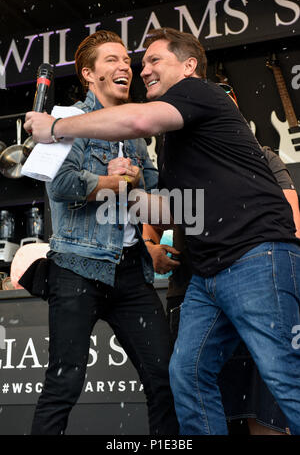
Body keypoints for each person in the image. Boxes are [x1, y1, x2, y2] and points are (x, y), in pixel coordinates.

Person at [24, 27, 300, 435]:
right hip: (156, 271)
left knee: (276, 376)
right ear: (88, 73)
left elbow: (139, 132)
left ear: (188, 66)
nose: (138, 68)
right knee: (180, 378)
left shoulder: (193, 94)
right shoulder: (161, 136)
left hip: (241, 260)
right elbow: (173, 209)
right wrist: (115, 185)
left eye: (150, 60)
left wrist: (63, 133)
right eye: (127, 61)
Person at [26, 30, 178, 435]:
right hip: (77, 268)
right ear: (89, 74)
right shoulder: (64, 119)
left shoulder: (136, 133)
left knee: (167, 381)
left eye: (127, 60)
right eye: (112, 60)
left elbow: (155, 197)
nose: (125, 66)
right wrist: (113, 184)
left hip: (131, 273)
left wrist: (144, 195)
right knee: (64, 385)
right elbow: (59, 186)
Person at [143, 142, 300, 435]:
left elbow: (292, 222)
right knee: (187, 380)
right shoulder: (181, 159)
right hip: (195, 287)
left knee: (271, 399)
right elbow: (153, 217)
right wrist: (149, 246)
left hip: (253, 282)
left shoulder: (260, 156)